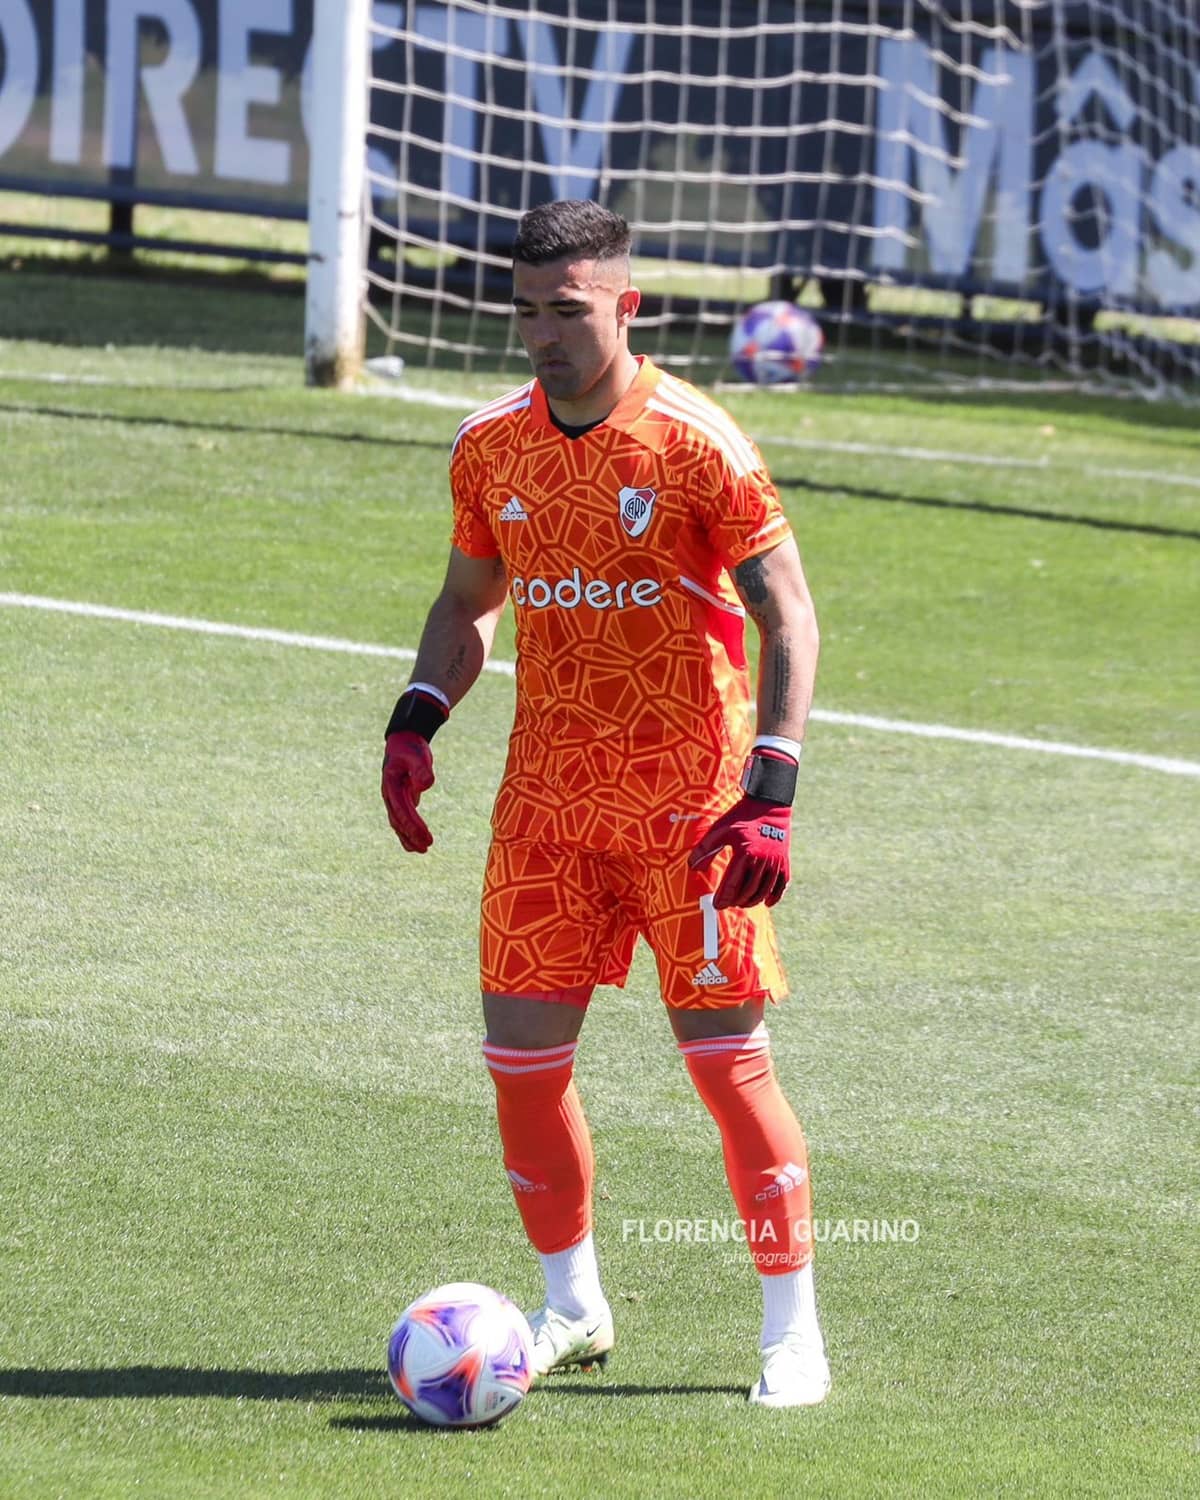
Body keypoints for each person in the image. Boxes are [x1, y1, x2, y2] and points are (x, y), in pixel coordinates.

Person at [381, 200, 828, 1408]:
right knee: (520, 1070)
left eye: (566, 310)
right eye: (525, 310)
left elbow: (788, 611)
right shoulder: (490, 445)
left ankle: (793, 1330)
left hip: (690, 811)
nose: (541, 334)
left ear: (624, 307)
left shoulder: (696, 443)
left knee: (727, 1067)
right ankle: (572, 1303)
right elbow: (469, 597)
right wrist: (419, 714)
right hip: (544, 810)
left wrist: (770, 787)